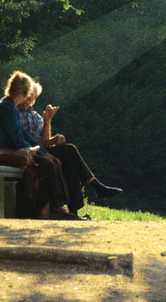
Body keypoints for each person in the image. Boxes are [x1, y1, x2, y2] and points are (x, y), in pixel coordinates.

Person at [0, 70, 75, 219]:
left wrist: (44, 151)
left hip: (11, 150)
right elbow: (17, 140)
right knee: (47, 165)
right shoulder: (6, 109)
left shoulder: (9, 107)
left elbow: (24, 135)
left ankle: (52, 208)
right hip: (3, 152)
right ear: (25, 92)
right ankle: (52, 208)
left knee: (48, 162)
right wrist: (40, 153)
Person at [24, 82, 122, 217]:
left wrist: (47, 120)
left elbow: (45, 140)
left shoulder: (35, 115)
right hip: (31, 152)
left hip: (42, 150)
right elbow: (25, 140)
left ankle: (74, 211)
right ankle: (95, 185)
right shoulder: (17, 114)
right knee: (69, 150)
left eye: (34, 96)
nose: (32, 98)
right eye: (30, 95)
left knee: (71, 165)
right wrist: (51, 141)